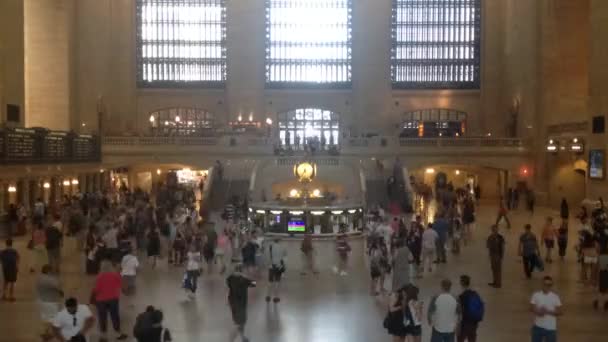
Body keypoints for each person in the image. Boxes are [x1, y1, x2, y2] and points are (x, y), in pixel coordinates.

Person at [92, 261, 128, 341]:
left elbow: (96, 289)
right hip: (113, 299)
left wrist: (93, 299)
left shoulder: (99, 277)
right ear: (111, 267)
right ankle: (118, 333)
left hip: (101, 300)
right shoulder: (115, 275)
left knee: (102, 317)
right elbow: (122, 286)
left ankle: (103, 336)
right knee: (115, 316)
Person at [226, 263, 257, 342]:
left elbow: (228, 286)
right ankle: (231, 339)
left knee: (240, 322)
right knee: (239, 324)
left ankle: (243, 337)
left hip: (232, 302)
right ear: (241, 270)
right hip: (240, 304)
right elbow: (254, 284)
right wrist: (249, 276)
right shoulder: (244, 280)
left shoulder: (230, 278)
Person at [530, 276, 563, 342]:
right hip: (537, 327)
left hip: (550, 329)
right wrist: (538, 312)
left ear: (551, 286)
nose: (547, 287)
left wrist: (548, 311)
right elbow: (531, 308)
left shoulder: (555, 297)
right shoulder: (536, 295)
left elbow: (560, 312)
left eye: (549, 285)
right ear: (542, 284)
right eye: (545, 284)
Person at [37, 264, 64, 340]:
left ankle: (46, 332)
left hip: (42, 300)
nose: (53, 272)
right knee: (53, 318)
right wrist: (61, 292)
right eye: (51, 270)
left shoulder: (39, 278)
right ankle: (48, 333)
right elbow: (57, 287)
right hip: (50, 301)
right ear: (48, 271)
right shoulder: (50, 279)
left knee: (45, 317)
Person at [458, 275, 484, 342]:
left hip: (465, 323)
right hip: (474, 322)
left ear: (461, 283)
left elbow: (459, 311)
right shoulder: (475, 294)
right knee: (472, 339)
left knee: (460, 339)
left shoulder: (462, 296)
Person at [265, 238, 287, 302]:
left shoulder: (270, 247)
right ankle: (276, 297)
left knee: (270, 281)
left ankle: (268, 296)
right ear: (279, 241)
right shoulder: (282, 247)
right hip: (279, 266)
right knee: (277, 282)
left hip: (271, 266)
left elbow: (267, 257)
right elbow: (284, 257)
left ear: (273, 241)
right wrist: (283, 266)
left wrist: (269, 264)